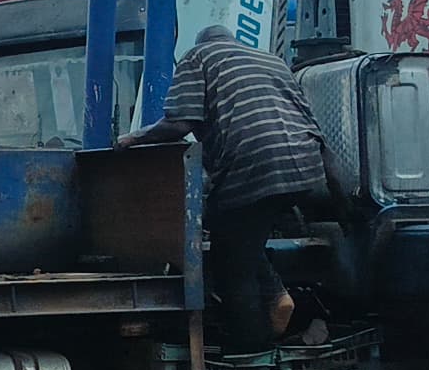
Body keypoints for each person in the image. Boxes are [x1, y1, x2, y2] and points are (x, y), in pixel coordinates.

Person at [120, 24, 329, 352]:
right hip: (305, 163)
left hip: (256, 163)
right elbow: (306, 116)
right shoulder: (270, 59)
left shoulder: (198, 58)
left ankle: (252, 349)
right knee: (235, 231)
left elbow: (180, 123)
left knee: (230, 261)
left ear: (201, 42)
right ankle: (277, 295)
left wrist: (133, 139)